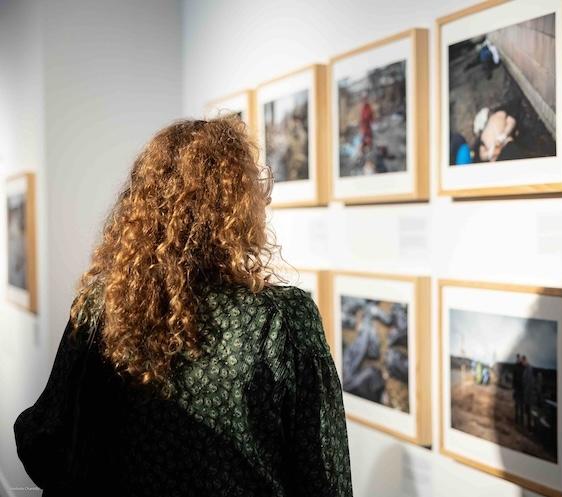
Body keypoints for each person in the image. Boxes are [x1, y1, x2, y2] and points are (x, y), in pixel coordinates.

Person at [13, 118, 353, 497]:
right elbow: (325, 476)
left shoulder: (100, 304)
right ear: (236, 207)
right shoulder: (280, 320)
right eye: (255, 188)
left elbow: (43, 439)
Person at [522, 356, 535, 431]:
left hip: (529, 395)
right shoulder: (527, 369)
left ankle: (530, 427)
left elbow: (529, 383)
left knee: (529, 412)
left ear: (525, 361)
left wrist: (526, 395)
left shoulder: (529, 369)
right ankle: (528, 426)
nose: (523, 364)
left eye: (523, 362)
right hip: (527, 394)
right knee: (527, 411)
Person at [513, 353, 525, 426]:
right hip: (517, 389)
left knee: (521, 406)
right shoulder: (515, 367)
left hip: (521, 389)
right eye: (517, 358)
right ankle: (517, 420)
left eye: (519, 358)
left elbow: (524, 379)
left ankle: (521, 421)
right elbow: (514, 378)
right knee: (517, 405)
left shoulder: (523, 367)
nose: (518, 359)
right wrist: (513, 387)